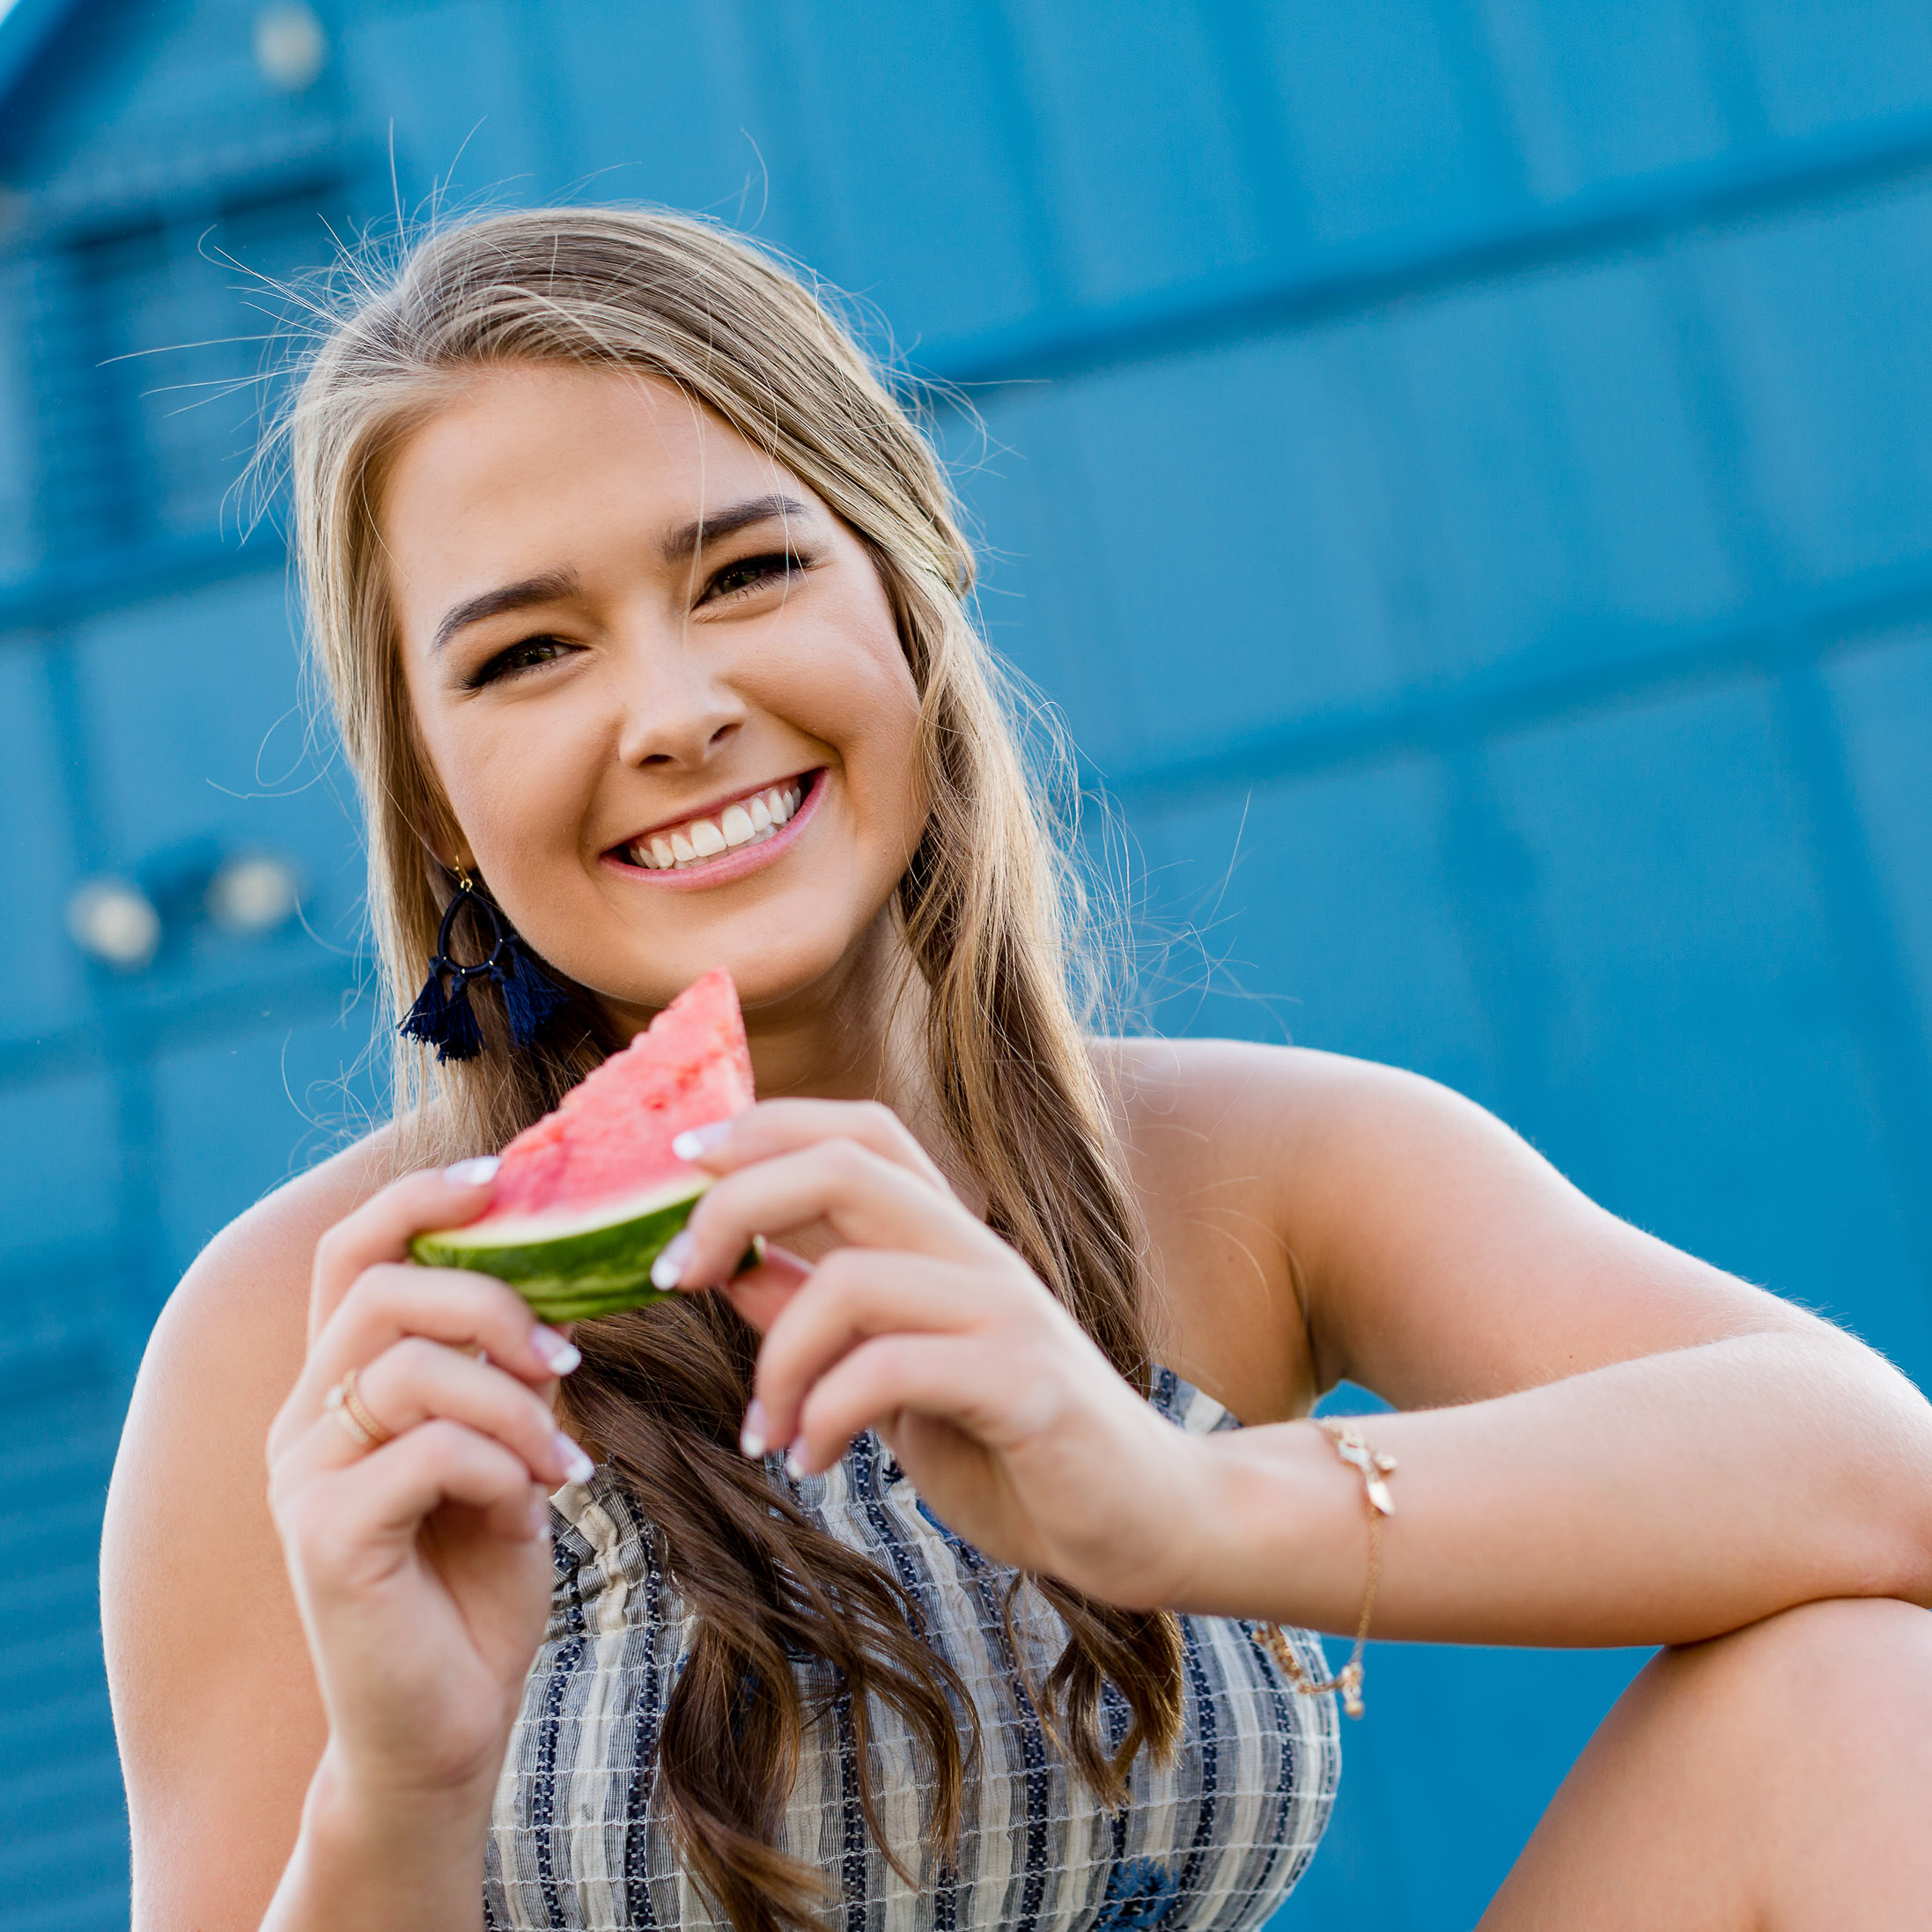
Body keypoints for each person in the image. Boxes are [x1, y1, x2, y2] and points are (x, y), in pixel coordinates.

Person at [101, 207, 1932, 1932]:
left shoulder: (1245, 1166)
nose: (669, 711)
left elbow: (1869, 1471)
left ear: (907, 585)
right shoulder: (330, 1342)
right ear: (431, 791)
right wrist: (401, 1784)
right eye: (526, 652)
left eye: (743, 568)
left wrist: (1171, 1500)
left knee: (1860, 1700)